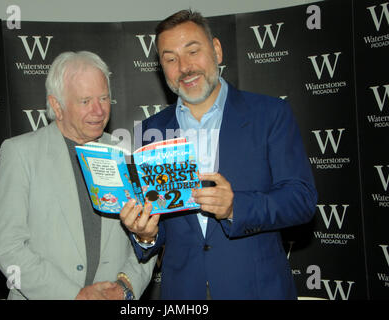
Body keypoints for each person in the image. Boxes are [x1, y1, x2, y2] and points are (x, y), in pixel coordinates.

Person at [120, 9, 318, 299]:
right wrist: (145, 233)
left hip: (257, 290)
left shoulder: (270, 114)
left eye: (193, 51)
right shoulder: (150, 131)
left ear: (216, 50)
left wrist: (236, 207)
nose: (184, 67)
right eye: (170, 58)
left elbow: (301, 200)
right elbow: (161, 229)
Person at [0, 51, 156, 300]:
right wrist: (72, 296)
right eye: (85, 101)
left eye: (104, 98)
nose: (99, 111)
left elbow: (146, 235)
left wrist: (125, 287)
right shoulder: (20, 153)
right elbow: (6, 247)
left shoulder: (125, 154)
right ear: (57, 105)